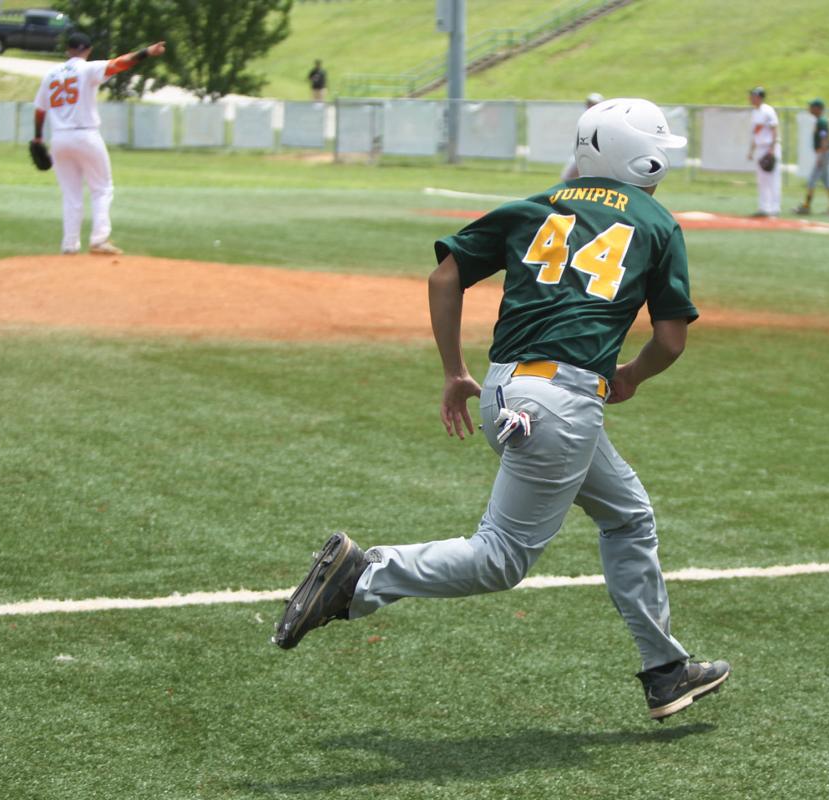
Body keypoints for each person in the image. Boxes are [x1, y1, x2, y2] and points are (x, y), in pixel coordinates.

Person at [273, 97, 731, 722]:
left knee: (628, 516)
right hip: (561, 404)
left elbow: (445, 277)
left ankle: (666, 669)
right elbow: (671, 339)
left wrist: (452, 371)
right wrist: (633, 374)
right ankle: (363, 576)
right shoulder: (655, 222)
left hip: (504, 388)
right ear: (645, 159)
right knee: (500, 559)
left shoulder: (535, 206)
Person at [32, 32, 167, 255]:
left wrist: (37, 137)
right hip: (85, 135)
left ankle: (69, 244)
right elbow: (120, 64)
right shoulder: (87, 69)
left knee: (71, 194)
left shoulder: (51, 75)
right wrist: (147, 52)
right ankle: (99, 239)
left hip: (59, 139)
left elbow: (39, 109)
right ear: (88, 50)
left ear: (68, 50)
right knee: (102, 188)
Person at [795, 98, 829, 215]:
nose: (809, 108)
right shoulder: (821, 121)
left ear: (818, 109)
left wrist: (820, 157)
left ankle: (806, 206)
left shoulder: (821, 122)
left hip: (824, 153)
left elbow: (824, 139)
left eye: (812, 106)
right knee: (827, 180)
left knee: (812, 180)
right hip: (826, 152)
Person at [746, 86, 781, 217]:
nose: (751, 98)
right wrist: (751, 150)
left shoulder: (768, 110)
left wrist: (772, 149)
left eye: (753, 96)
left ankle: (775, 208)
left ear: (760, 97)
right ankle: (764, 207)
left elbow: (774, 129)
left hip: (769, 147)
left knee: (773, 178)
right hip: (760, 148)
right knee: (761, 179)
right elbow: (756, 133)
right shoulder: (755, 112)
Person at [559, 92, 604, 181]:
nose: (591, 106)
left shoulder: (603, 119)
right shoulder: (585, 117)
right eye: (590, 103)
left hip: (597, 154)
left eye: (594, 104)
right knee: (567, 177)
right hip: (580, 151)